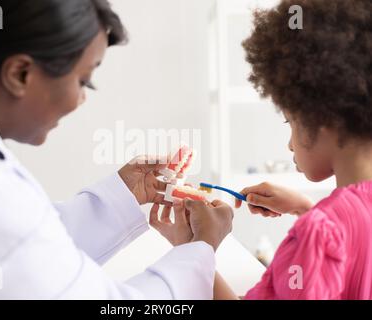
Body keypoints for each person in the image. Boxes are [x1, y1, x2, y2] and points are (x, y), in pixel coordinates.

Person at [0, 0, 234, 299]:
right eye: (84, 80)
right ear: (20, 74)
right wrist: (201, 251)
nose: (81, 99)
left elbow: (31, 252)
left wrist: (127, 192)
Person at [154, 0, 372, 300]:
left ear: (320, 117)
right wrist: (305, 209)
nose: (290, 143)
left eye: (289, 121)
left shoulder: (317, 235)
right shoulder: (329, 227)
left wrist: (194, 250)